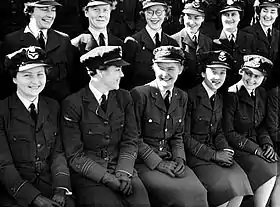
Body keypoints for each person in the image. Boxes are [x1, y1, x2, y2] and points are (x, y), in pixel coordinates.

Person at [61, 46, 150, 207]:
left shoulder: (124, 97)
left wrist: (123, 173)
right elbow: (75, 156)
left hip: (122, 168)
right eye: (117, 69)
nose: (122, 74)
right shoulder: (73, 104)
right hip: (89, 174)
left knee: (141, 203)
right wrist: (108, 179)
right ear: (100, 71)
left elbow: (130, 140)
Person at [130, 46, 208, 207]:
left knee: (200, 192)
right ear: (153, 67)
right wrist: (158, 163)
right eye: (161, 68)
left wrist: (180, 159)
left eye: (171, 68)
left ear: (180, 70)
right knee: (179, 197)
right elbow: (133, 138)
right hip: (144, 163)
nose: (165, 74)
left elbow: (178, 135)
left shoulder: (181, 96)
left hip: (170, 159)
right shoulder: (139, 94)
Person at [0, 46, 74, 207]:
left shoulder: (53, 106)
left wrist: (61, 188)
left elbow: (58, 153)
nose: (35, 81)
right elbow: (4, 165)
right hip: (15, 191)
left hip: (51, 184)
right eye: (27, 75)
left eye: (40, 74)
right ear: (14, 78)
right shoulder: (2, 111)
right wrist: (35, 199)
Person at [185, 50, 253, 207]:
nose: (217, 77)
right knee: (224, 186)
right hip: (196, 155)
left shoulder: (219, 98)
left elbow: (218, 131)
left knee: (241, 179)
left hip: (216, 151)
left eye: (222, 73)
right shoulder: (189, 96)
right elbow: (184, 136)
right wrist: (214, 155)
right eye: (213, 72)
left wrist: (225, 149)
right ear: (203, 73)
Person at [223, 54, 280, 207]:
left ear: (264, 78)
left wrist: (267, 145)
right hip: (237, 147)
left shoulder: (261, 93)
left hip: (255, 144)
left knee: (275, 165)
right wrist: (256, 150)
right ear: (241, 71)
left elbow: (261, 125)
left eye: (257, 76)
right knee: (269, 169)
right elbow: (229, 132)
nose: (251, 79)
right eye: (248, 73)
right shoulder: (231, 94)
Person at [1, 0, 74, 102]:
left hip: (59, 106)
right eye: (44, 9)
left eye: (53, 10)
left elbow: (72, 76)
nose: (50, 15)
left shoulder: (64, 40)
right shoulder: (12, 40)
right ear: (30, 11)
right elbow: (6, 81)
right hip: (25, 107)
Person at [123, 0, 178, 90]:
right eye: (149, 12)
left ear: (166, 14)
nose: (154, 16)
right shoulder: (133, 42)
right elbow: (126, 79)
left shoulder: (172, 43)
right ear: (143, 14)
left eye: (158, 12)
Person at [70, 0, 124, 92]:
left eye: (105, 10)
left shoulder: (119, 43)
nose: (101, 15)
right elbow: (72, 78)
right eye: (96, 10)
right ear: (86, 12)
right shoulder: (76, 44)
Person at [212, 0, 256, 92]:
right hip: (220, 90)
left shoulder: (250, 39)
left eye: (233, 14)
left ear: (240, 17)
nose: (230, 18)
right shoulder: (213, 39)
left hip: (242, 89)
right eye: (226, 15)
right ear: (221, 18)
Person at [172, 0, 212, 90]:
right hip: (180, 92)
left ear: (203, 19)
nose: (192, 22)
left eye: (196, 18)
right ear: (183, 18)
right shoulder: (173, 40)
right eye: (189, 17)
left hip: (201, 94)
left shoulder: (208, 41)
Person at [242, 0, 279, 89]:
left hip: (273, 86)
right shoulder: (246, 32)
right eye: (265, 11)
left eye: (273, 12)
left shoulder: (278, 34)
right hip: (253, 85)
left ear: (277, 15)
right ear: (259, 12)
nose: (268, 15)